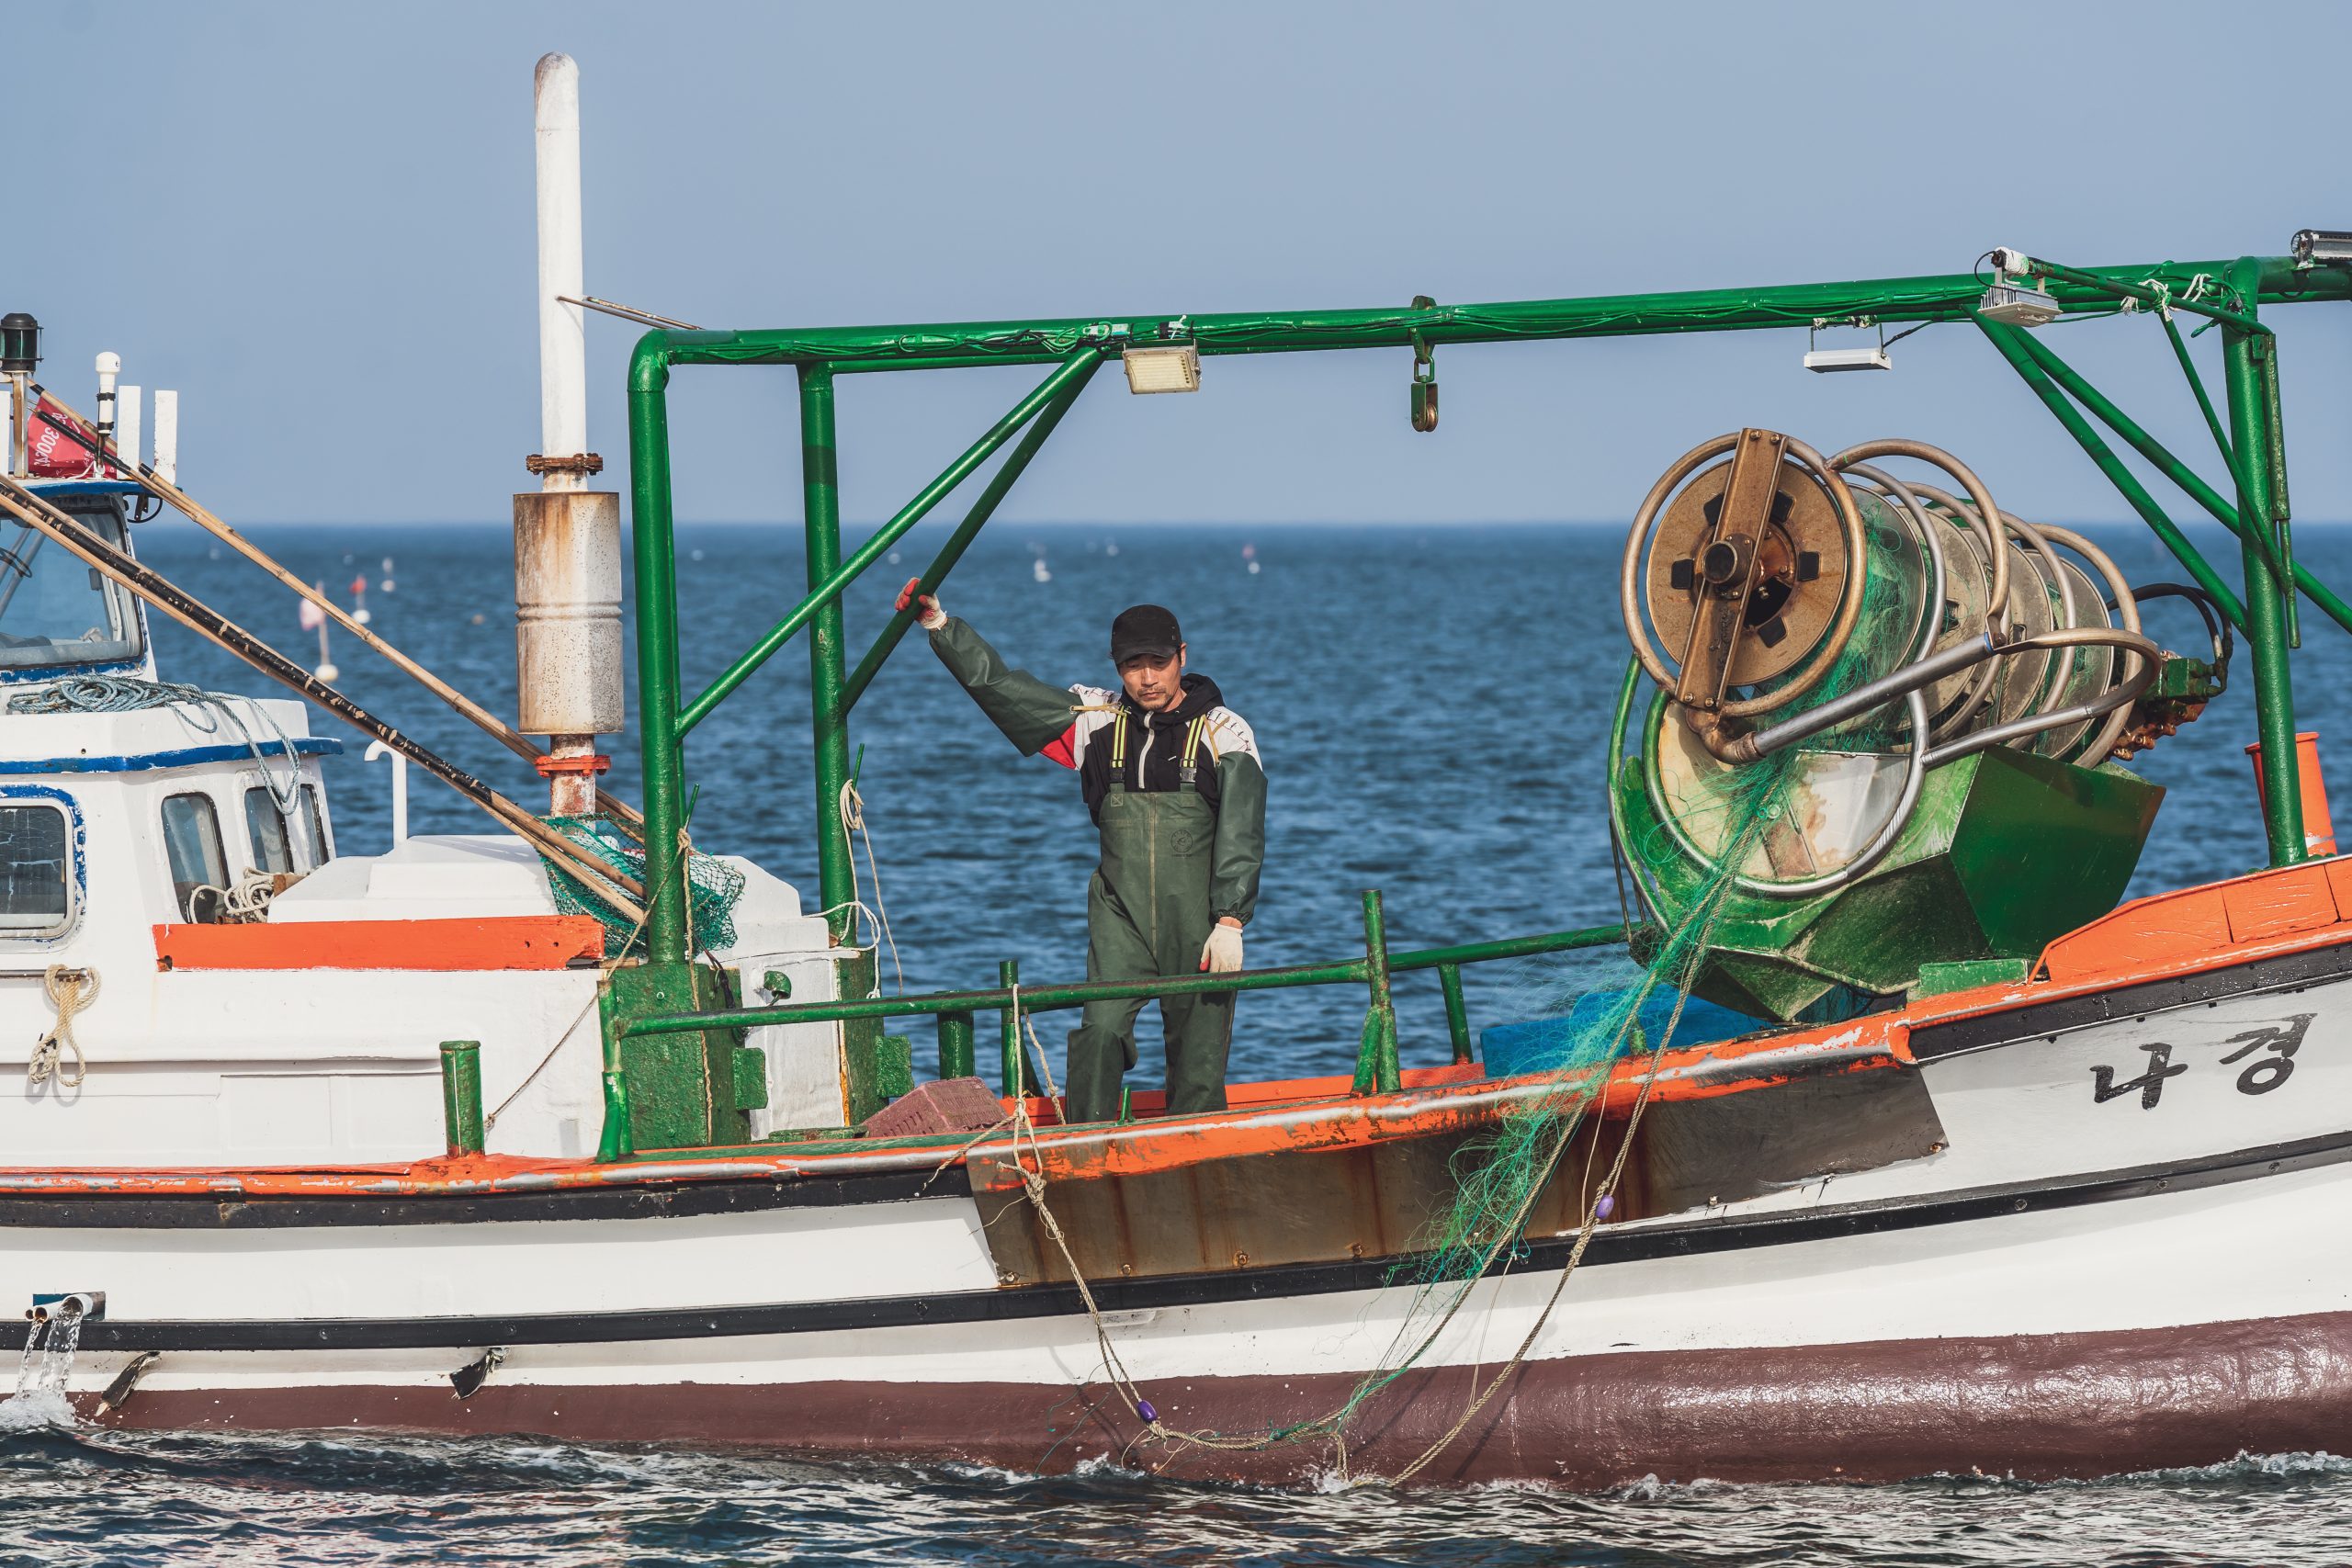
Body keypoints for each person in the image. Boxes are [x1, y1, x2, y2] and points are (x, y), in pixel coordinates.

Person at [899, 581, 1265, 1122]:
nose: (1145, 678)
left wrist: (1230, 921)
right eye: (1131, 665)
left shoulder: (1225, 733)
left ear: (1182, 658)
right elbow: (1003, 690)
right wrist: (940, 627)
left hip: (1202, 921)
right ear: (1116, 666)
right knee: (1099, 1031)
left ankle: (1195, 1154)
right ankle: (1083, 1149)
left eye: (1158, 663)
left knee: (1197, 1055)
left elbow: (1243, 831)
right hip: (1121, 913)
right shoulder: (1094, 721)